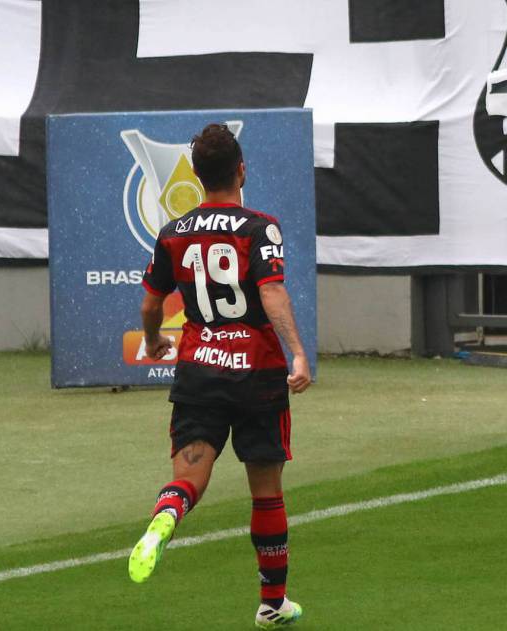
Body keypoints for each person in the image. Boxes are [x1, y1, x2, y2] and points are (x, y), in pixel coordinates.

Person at [129, 123, 312, 628]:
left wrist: (151, 341)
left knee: (188, 475)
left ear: (195, 175)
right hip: (256, 374)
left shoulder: (172, 233)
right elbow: (272, 294)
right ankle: (273, 603)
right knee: (266, 491)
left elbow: (149, 303)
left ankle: (166, 516)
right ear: (241, 170)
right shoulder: (259, 228)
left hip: (198, 372)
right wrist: (297, 352)